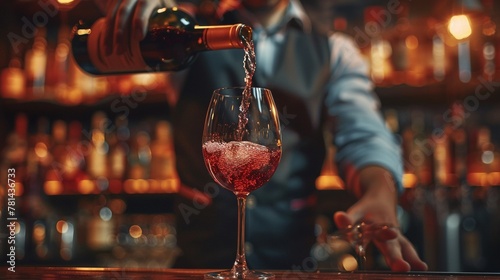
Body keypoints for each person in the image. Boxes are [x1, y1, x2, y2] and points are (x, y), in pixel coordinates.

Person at [100, 0, 428, 272]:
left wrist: (381, 192)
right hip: (199, 268)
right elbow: (126, 26)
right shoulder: (187, 33)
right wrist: (135, 10)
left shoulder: (334, 50)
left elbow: (363, 135)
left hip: (293, 267)